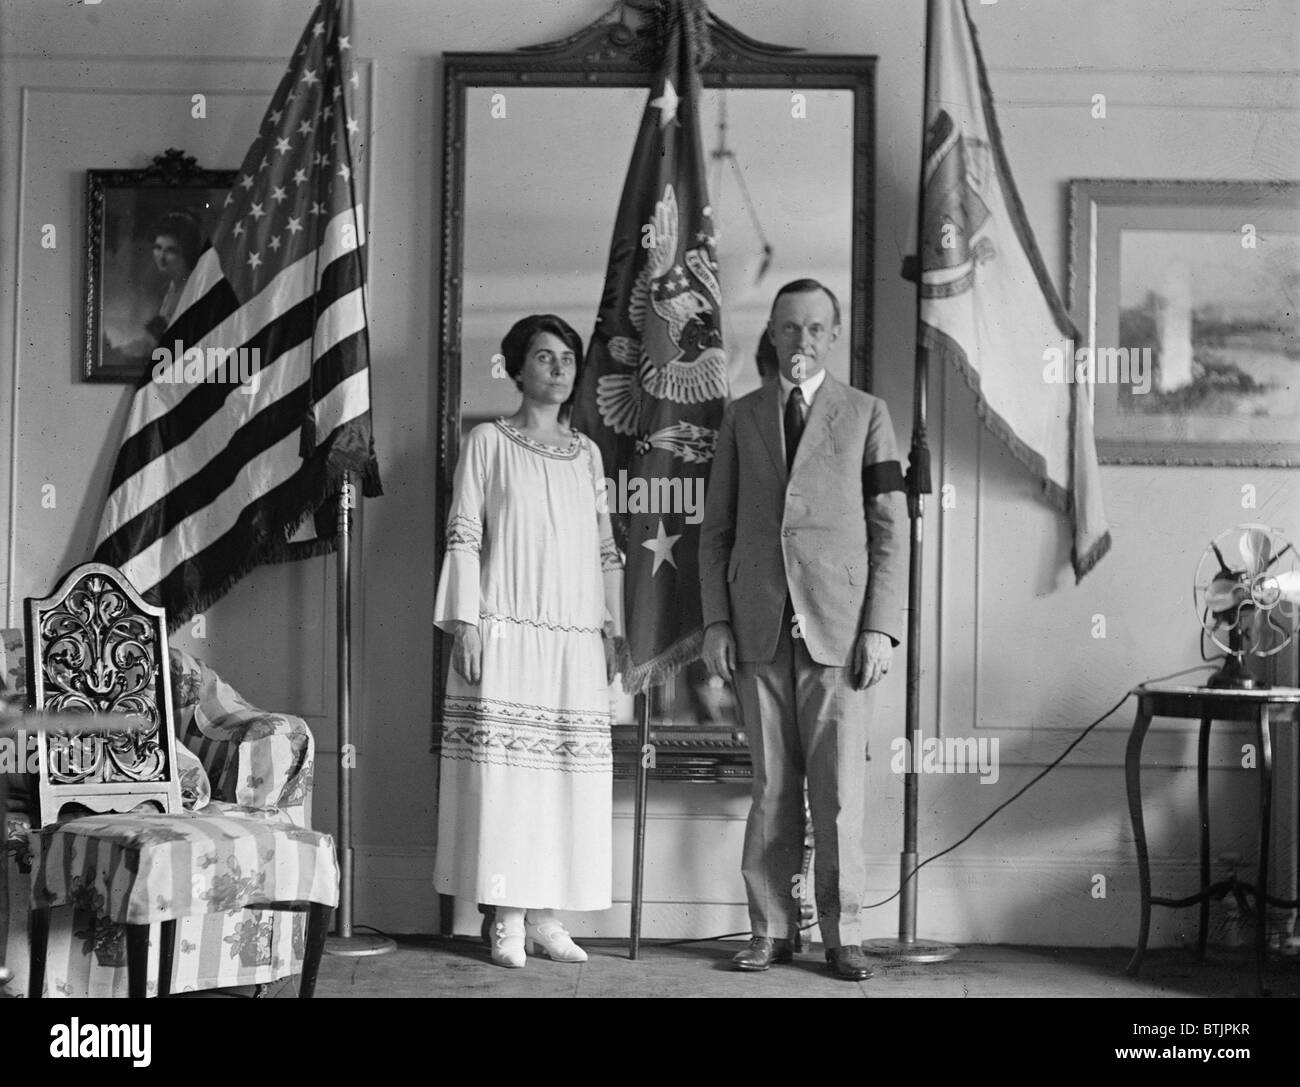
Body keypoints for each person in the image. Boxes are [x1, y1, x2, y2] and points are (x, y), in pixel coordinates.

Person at [699, 278, 906, 981]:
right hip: (757, 626)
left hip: (841, 633)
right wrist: (717, 622)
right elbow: (716, 531)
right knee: (772, 787)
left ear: (833, 333)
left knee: (839, 791)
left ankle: (843, 935)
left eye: (815, 328)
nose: (802, 340)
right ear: (773, 333)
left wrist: (879, 628)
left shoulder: (868, 414)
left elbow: (890, 532)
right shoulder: (741, 416)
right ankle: (771, 929)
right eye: (790, 328)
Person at [433, 313, 624, 968]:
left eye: (567, 356)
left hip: (572, 640)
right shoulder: (489, 440)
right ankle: (506, 915)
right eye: (544, 356)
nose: (560, 366)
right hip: (507, 630)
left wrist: (611, 630)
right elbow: (464, 532)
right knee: (510, 781)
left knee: (564, 780)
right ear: (517, 368)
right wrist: (466, 621)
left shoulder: (588, 454)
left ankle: (545, 915)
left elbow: (605, 551)